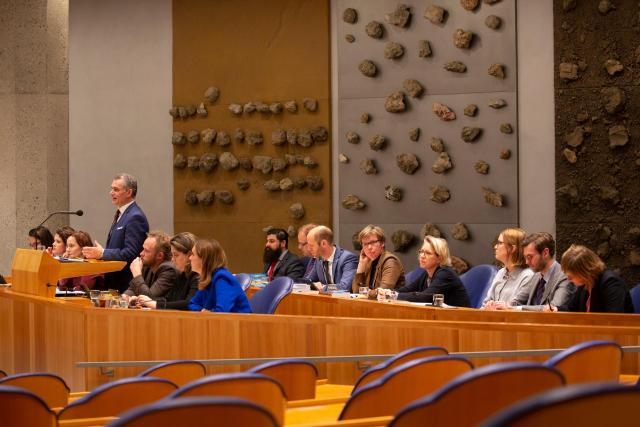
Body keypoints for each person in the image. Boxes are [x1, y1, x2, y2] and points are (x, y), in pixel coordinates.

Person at [82, 173, 149, 293]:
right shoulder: (123, 213)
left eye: (116, 189)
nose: (111, 192)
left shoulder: (135, 217)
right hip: (114, 281)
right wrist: (104, 252)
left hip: (125, 284)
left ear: (129, 192)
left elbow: (132, 253)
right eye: (111, 188)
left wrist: (103, 253)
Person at [394, 236, 470, 307]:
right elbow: (408, 289)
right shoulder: (426, 274)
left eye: (428, 253)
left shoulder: (445, 274)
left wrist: (394, 296)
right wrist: (387, 293)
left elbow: (426, 297)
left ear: (439, 258)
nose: (422, 256)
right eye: (421, 251)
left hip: (461, 318)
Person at [558, 244, 633, 313]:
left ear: (584, 272)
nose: (568, 279)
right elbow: (571, 308)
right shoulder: (585, 283)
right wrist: (555, 309)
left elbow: (613, 319)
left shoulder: (611, 282)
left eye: (571, 276)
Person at [512, 232, 575, 311]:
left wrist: (517, 308)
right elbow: (518, 301)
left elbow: (552, 309)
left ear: (545, 253)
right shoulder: (536, 275)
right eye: (525, 257)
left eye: (529, 257)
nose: (526, 262)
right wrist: (502, 305)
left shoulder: (564, 277)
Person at [137, 232, 200, 310]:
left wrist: (155, 304)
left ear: (189, 255)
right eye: (172, 255)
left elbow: (189, 303)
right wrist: (143, 301)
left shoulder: (197, 276)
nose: (172, 260)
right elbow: (169, 299)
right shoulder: (182, 274)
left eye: (176, 255)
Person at [188, 239, 252, 313]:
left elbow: (221, 312)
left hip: (240, 323)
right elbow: (192, 304)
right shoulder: (207, 278)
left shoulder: (222, 278)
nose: (190, 258)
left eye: (193, 254)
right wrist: (203, 311)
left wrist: (207, 313)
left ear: (204, 259)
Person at [482, 228, 535, 309]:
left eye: (500, 243)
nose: (495, 247)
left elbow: (514, 307)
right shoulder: (501, 272)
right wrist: (488, 306)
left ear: (513, 248)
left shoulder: (528, 275)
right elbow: (485, 304)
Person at [351, 225, 405, 295]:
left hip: (391, 304)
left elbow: (383, 292)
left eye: (372, 242)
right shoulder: (368, 261)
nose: (369, 247)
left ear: (382, 243)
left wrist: (364, 293)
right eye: (365, 244)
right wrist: (361, 265)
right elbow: (356, 291)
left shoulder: (390, 261)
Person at [124, 231, 176, 301]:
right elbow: (132, 289)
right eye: (143, 249)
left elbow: (149, 298)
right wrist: (125, 296)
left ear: (159, 255)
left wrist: (137, 275)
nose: (141, 253)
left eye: (146, 251)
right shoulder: (147, 264)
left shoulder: (168, 270)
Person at [306, 226, 358, 291]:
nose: (308, 249)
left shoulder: (347, 258)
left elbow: (344, 287)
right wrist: (313, 285)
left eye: (311, 245)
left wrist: (324, 287)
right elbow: (307, 281)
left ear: (323, 243)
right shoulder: (319, 259)